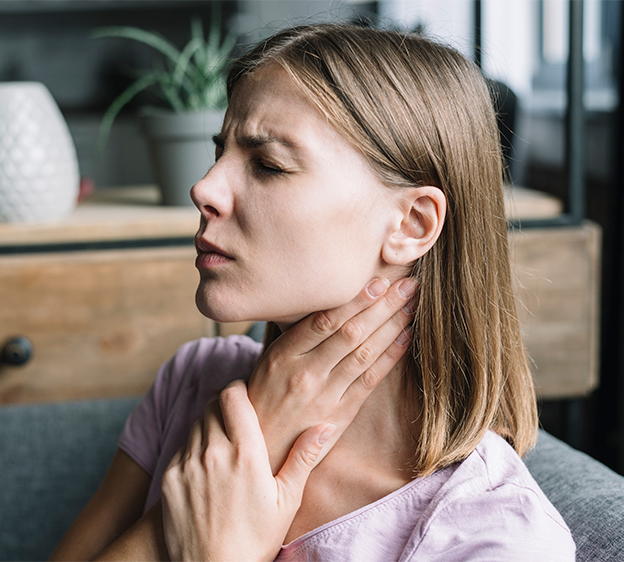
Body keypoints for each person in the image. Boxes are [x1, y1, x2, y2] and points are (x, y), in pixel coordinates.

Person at [50, 23, 575, 561]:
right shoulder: (193, 381)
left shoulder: (499, 536)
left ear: (412, 225)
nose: (203, 187)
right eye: (221, 152)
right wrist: (255, 431)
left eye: (269, 164)